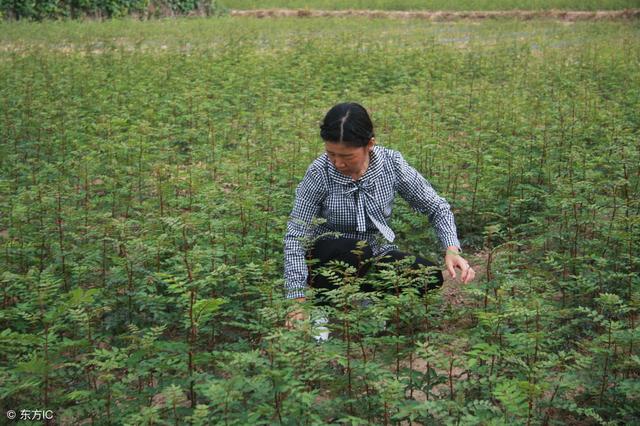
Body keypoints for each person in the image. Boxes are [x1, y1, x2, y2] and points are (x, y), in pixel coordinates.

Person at [284, 102, 475, 329]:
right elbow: (296, 235)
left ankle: (364, 304)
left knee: (428, 276)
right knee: (352, 248)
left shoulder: (391, 164)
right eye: (330, 153)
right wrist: (296, 298)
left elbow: (436, 206)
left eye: (347, 156)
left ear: (370, 144)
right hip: (326, 255)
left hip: (374, 253)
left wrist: (451, 249)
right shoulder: (319, 172)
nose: (337, 162)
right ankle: (320, 309)